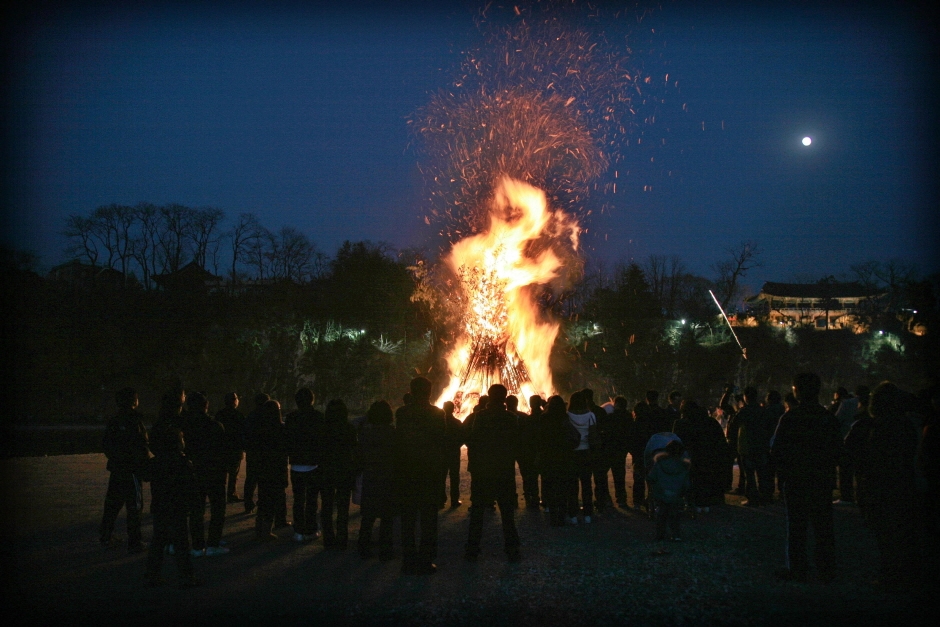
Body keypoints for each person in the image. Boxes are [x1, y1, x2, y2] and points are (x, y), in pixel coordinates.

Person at [845, 382, 921, 590]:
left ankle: (890, 574)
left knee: (884, 533)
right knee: (900, 531)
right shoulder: (906, 426)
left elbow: (847, 453)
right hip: (902, 485)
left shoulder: (866, 426)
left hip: (874, 487)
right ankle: (904, 573)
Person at [770, 372, 841, 583]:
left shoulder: (790, 417)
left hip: (796, 479)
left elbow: (777, 450)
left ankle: (798, 568)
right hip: (821, 479)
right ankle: (826, 569)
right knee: (824, 527)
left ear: (797, 391)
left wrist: (782, 476)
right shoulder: (828, 418)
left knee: (797, 527)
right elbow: (838, 449)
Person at [145, 392, 200, 588]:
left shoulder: (157, 462)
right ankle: (186, 576)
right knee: (181, 541)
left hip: (161, 502)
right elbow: (191, 488)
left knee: (159, 539)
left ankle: (152, 575)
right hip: (178, 505)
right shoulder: (183, 463)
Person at [394, 377, 446, 575]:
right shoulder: (436, 413)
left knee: (407, 520)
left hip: (408, 472)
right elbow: (441, 443)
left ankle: (408, 561)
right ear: (429, 392)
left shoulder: (402, 412)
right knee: (428, 520)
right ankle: (425, 561)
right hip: (429, 473)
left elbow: (399, 442)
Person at [465, 384, 522, 562]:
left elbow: (473, 440)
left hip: (482, 471)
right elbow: (516, 442)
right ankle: (512, 550)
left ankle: (472, 549)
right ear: (504, 398)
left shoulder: (480, 417)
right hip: (503, 470)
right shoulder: (511, 418)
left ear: (489, 397)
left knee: (477, 511)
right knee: (507, 512)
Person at [100, 387, 150, 553]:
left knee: (113, 504)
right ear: (133, 401)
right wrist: (144, 465)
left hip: (118, 469)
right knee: (134, 507)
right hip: (132, 470)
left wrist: (116, 459)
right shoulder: (135, 420)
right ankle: (135, 542)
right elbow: (142, 446)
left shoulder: (115, 420)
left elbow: (107, 445)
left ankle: (106, 536)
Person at [181, 392, 229, 556]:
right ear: (206, 406)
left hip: (194, 472)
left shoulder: (185, 426)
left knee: (196, 510)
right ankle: (213, 543)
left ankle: (197, 545)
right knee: (217, 509)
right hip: (214, 472)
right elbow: (223, 451)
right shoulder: (215, 426)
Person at [672, 400, 730, 513]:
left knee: (692, 480)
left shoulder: (681, 423)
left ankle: (693, 502)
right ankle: (707, 502)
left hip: (690, 458)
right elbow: (720, 442)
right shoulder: (711, 422)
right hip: (709, 457)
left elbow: (677, 442)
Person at [357, 400, 398, 560]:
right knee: (387, 517)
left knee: (368, 515)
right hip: (388, 477)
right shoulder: (393, 433)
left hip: (371, 477)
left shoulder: (365, 434)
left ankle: (363, 547)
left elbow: (360, 456)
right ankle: (385, 550)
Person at [283, 387, 324, 543]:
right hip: (313, 464)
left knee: (298, 499)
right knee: (312, 499)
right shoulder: (318, 417)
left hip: (296, 464)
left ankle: (298, 530)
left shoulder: (291, 418)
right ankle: (311, 529)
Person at [320, 398, 357, 550]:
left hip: (326, 470)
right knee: (343, 507)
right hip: (344, 470)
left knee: (327, 505)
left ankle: (328, 538)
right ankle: (342, 538)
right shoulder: (348, 428)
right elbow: (353, 449)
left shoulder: (323, 428)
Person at [537, 395, 579, 527]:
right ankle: (561, 516)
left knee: (550, 486)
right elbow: (575, 437)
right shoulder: (565, 419)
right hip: (564, 457)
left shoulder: (543, 419)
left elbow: (539, 439)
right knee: (562, 487)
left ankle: (553, 516)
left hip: (548, 457)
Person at [254, 399, 288, 541]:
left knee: (263, 498)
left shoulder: (259, 429)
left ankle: (259, 528)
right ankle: (266, 530)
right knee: (273, 499)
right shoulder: (281, 429)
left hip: (262, 467)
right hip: (277, 468)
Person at [734, 387, 774, 507]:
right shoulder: (763, 411)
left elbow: (735, 423)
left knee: (749, 475)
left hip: (748, 447)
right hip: (761, 446)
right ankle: (765, 496)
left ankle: (752, 498)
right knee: (762, 474)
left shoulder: (744, 411)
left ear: (746, 397)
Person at [647, 439, 691, 541]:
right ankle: (676, 535)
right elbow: (686, 484)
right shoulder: (684, 466)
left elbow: (651, 477)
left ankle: (660, 534)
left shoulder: (659, 464)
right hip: (676, 495)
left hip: (661, 494)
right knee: (675, 516)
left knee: (661, 515)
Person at [568, 390, 598, 524]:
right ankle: (588, 514)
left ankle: (573, 514)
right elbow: (594, 434)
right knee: (586, 484)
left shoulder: (567, 415)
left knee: (572, 485)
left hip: (572, 453)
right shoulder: (591, 416)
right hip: (586, 452)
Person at [214, 392, 246, 503]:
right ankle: (231, 494)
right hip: (235, 448)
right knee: (233, 474)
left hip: (222, 448)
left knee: (221, 474)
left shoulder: (219, 415)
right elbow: (242, 433)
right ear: (234, 401)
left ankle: (220, 495)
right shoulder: (239, 415)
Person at [831, 386, 860, 505]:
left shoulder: (846, 404)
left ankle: (847, 496)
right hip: (862, 439)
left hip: (846, 438)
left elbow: (837, 419)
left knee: (846, 469)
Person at [242, 393, 270, 514]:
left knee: (251, 479)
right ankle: (262, 502)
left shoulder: (251, 416)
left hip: (253, 451)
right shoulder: (268, 416)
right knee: (263, 480)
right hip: (264, 452)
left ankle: (248, 503)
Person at [441, 400, 464, 509]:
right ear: (453, 409)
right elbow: (462, 438)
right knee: (454, 477)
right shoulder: (457, 423)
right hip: (454, 452)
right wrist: (456, 446)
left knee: (441, 476)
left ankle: (441, 500)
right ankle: (454, 500)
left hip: (442, 452)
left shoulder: (439, 423)